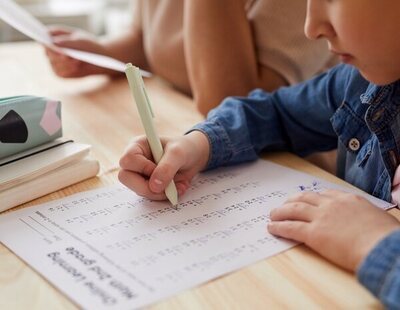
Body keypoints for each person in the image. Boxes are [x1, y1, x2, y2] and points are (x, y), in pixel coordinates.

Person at [118, 0, 400, 307]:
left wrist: (373, 242)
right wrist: (197, 145)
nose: (311, 27)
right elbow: (274, 113)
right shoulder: (359, 82)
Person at [44, 0, 335, 115]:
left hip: (289, 173)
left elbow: (230, 105)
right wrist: (103, 55)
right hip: (181, 128)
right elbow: (146, 38)